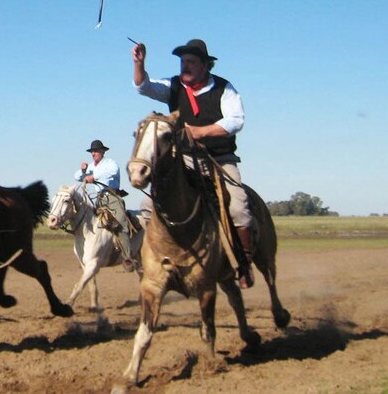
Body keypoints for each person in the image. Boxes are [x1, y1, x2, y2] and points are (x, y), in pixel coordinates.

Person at [132, 38, 256, 288]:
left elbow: (236, 120)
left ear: (205, 65)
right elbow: (143, 86)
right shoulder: (174, 86)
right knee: (148, 203)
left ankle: (243, 264)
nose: (184, 67)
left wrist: (200, 132)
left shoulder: (224, 88)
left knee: (239, 206)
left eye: (191, 62)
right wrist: (139, 63)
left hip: (220, 159)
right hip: (185, 159)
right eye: (182, 62)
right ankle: (157, 257)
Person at [74, 139, 137, 272]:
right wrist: (83, 170)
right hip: (99, 199)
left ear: (102, 152)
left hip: (112, 197)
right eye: (92, 152)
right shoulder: (91, 166)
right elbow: (77, 177)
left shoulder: (110, 163)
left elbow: (112, 172)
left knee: (121, 223)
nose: (93, 154)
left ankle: (128, 257)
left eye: (96, 151)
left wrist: (93, 176)